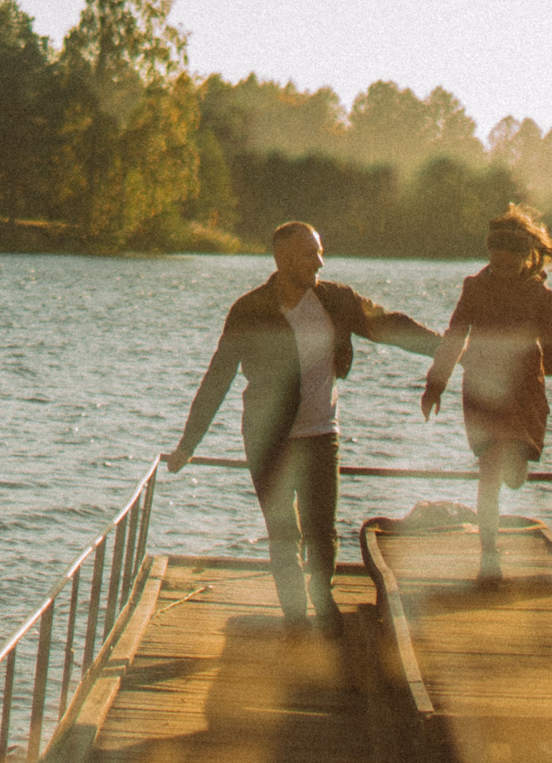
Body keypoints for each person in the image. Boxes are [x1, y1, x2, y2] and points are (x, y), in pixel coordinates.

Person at [166, 222, 440, 634]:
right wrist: (188, 445)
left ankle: (322, 595)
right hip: (266, 435)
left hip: (320, 432)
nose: (320, 261)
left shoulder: (336, 300)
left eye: (320, 252)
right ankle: (294, 614)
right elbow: (217, 377)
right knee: (282, 530)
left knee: (321, 528)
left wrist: (446, 348)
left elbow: (387, 324)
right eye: (311, 254)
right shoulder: (250, 310)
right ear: (284, 260)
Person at [419, 205, 552, 583]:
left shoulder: (540, 296)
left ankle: (513, 471)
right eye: (494, 262)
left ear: (525, 258)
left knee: (514, 474)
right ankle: (489, 558)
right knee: (490, 470)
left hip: (523, 391)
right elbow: (455, 336)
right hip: (485, 390)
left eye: (507, 264)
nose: (499, 270)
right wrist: (435, 384)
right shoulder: (475, 287)